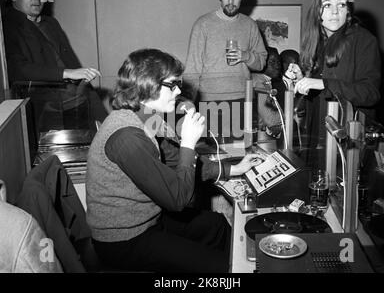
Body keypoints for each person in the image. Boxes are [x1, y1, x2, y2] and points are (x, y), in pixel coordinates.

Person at [85, 48, 262, 273]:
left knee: (216, 225)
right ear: (148, 84)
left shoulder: (145, 116)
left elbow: (173, 158)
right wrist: (188, 142)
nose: (178, 91)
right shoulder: (126, 136)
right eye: (172, 85)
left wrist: (232, 168)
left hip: (149, 221)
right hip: (124, 240)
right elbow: (177, 198)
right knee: (219, 267)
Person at [284, 0, 381, 168]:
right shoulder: (316, 41)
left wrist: (324, 84)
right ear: (317, 10)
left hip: (349, 143)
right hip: (317, 139)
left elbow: (371, 94)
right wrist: (302, 80)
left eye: (341, 4)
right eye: (327, 5)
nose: (335, 11)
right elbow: (317, 90)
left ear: (349, 9)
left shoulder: (363, 40)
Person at [3, 0, 108, 135]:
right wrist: (66, 73)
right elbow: (17, 68)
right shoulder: (6, 27)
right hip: (43, 108)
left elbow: (72, 63)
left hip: (75, 98)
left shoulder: (51, 23)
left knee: (103, 134)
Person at [183, 0, 267, 141]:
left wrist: (246, 56)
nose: (230, 1)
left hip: (243, 101)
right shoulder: (203, 24)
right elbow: (192, 69)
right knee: (215, 157)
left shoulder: (249, 25)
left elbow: (261, 62)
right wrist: (188, 101)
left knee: (241, 155)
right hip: (210, 103)